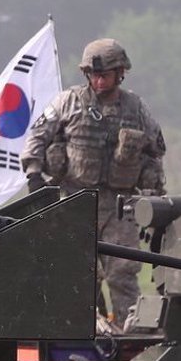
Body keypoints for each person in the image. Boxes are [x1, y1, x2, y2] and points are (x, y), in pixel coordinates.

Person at [21, 38, 165, 322]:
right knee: (79, 276)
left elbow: (155, 152)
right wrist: (34, 175)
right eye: (94, 75)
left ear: (120, 72)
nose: (99, 81)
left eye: (105, 75)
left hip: (120, 206)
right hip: (75, 201)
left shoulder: (136, 108)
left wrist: (156, 199)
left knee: (123, 273)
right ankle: (86, 334)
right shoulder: (67, 102)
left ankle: (129, 333)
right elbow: (36, 138)